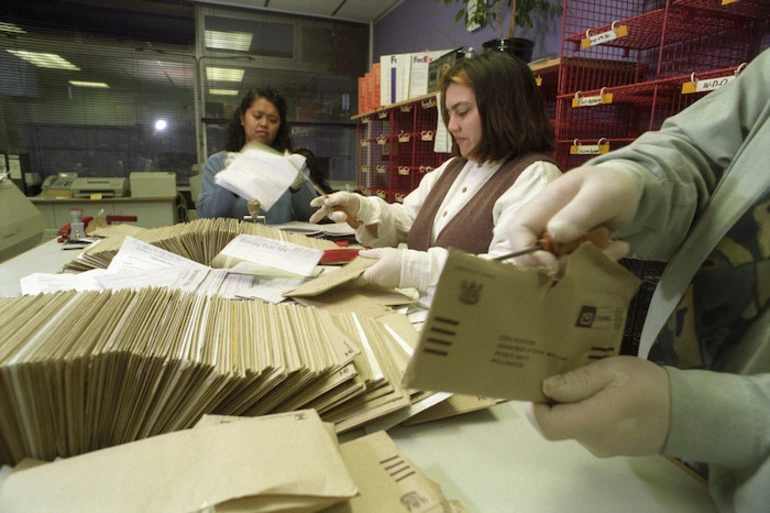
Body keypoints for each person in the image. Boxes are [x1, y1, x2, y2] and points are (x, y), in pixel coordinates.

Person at [506, 48, 770, 513]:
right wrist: (638, 181)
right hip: (658, 460)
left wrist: (702, 415)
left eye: (463, 110)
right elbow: (701, 146)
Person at [309, 50, 562, 295]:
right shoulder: (453, 168)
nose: (452, 125)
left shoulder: (535, 177)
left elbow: (515, 274)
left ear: (504, 110)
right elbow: (408, 220)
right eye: (449, 114)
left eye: (462, 112)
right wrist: (363, 209)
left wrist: (414, 269)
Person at [196, 87, 319, 224]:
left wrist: (298, 187)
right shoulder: (218, 162)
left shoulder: (291, 164)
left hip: (280, 242)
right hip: (235, 242)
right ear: (242, 119)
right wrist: (231, 182)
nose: (264, 124)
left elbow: (312, 216)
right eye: (257, 116)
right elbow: (206, 216)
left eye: (273, 120)